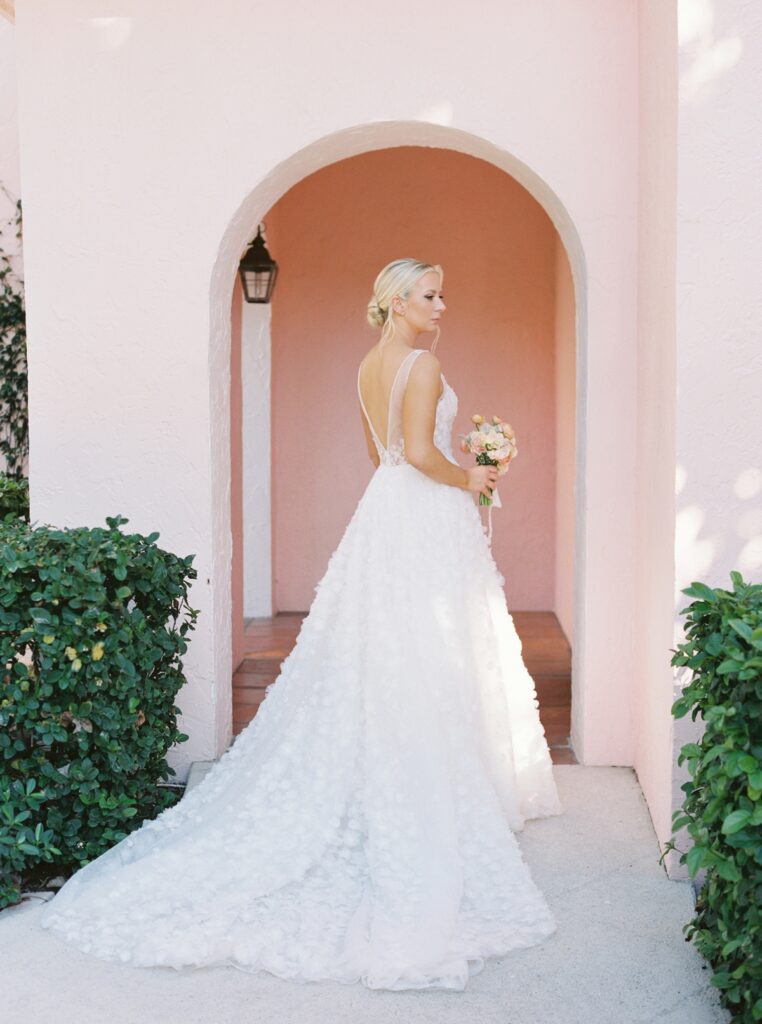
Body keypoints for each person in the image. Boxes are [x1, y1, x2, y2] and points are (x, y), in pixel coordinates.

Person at [39, 257, 563, 992]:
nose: (442, 304)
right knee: (431, 647)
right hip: (421, 510)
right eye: (430, 294)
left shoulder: (366, 367)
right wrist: (471, 475)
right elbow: (417, 454)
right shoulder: (417, 365)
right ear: (397, 303)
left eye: (442, 293)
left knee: (387, 643)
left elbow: (378, 456)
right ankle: (437, 773)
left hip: (385, 510)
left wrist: (452, 467)